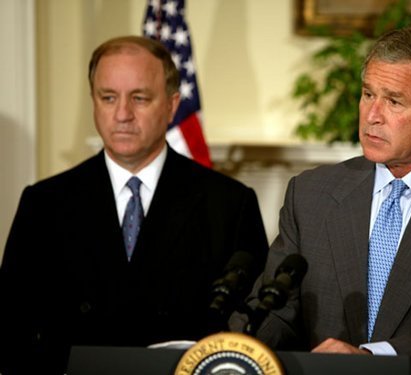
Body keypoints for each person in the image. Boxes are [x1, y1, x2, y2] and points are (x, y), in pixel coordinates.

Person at [230, 25, 411, 373]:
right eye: (368, 95)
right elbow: (276, 310)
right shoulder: (312, 194)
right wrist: (234, 351)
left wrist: (373, 359)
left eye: (393, 101)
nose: (372, 116)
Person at [0, 35, 269, 374]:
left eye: (139, 98)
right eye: (108, 97)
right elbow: (12, 329)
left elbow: (252, 332)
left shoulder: (229, 204)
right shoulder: (44, 203)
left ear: (172, 105)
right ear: (93, 102)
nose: (122, 114)